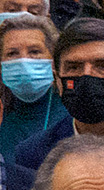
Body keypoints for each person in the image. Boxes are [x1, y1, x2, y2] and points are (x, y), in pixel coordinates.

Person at [17, 19, 104, 171]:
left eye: (103, 66)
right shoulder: (35, 154)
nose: (87, 75)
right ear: (57, 80)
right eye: (74, 67)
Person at [0, 12, 65, 157]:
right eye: (12, 54)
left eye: (34, 52)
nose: (24, 61)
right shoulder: (3, 109)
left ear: (53, 59)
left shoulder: (72, 111)